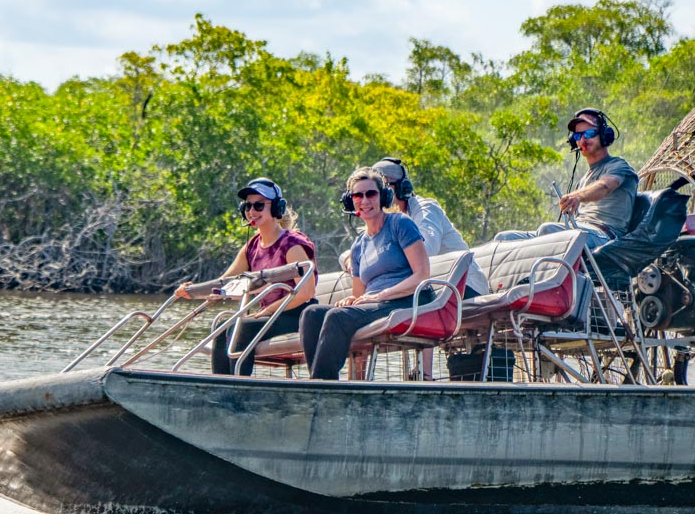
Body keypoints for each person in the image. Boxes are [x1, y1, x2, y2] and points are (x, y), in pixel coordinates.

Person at [299, 167, 431, 380]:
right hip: (377, 303)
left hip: (409, 300)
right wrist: (352, 300)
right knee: (312, 314)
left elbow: (422, 275)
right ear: (351, 201)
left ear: (383, 196)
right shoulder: (358, 246)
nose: (365, 200)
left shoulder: (400, 224)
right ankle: (321, 382)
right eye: (358, 195)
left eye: (371, 194)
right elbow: (360, 294)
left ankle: (321, 389)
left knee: (336, 318)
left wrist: (382, 295)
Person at [175, 177, 317, 375]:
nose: (252, 211)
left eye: (259, 205)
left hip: (297, 315)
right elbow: (225, 284)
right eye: (248, 206)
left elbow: (306, 292)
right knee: (223, 326)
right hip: (269, 315)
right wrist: (191, 291)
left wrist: (267, 311)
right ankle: (221, 385)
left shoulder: (292, 244)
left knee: (243, 327)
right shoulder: (251, 246)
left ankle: (238, 386)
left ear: (276, 208)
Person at [339, 157, 491, 297]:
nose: (370, 199)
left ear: (399, 190)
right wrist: (350, 257)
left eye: (375, 192)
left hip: (464, 286)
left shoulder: (426, 209)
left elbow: (426, 250)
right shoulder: (382, 228)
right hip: (431, 290)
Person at [494, 108, 638, 249]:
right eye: (577, 136)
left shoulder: (618, 165)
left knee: (549, 230)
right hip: (579, 231)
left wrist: (577, 197)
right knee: (504, 239)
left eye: (589, 133)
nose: (582, 139)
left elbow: (604, 186)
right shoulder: (583, 180)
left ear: (604, 135)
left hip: (605, 236)